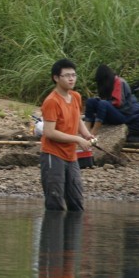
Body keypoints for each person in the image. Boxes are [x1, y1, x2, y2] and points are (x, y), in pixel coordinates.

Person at [40, 59, 95, 211]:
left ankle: (72, 235)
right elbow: (49, 132)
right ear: (56, 78)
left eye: (74, 75)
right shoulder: (51, 101)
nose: (71, 79)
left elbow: (77, 118)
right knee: (55, 203)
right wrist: (77, 139)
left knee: (76, 203)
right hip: (53, 154)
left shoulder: (75, 96)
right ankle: (52, 234)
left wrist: (85, 134)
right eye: (67, 75)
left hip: (71, 156)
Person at [84, 64, 139, 137]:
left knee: (103, 103)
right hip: (112, 112)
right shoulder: (108, 85)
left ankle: (94, 132)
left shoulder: (119, 82)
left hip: (123, 115)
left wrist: (104, 103)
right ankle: (86, 130)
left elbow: (118, 103)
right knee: (90, 101)